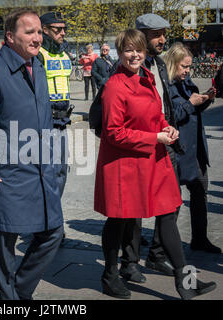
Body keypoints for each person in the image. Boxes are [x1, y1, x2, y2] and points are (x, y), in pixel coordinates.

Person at [94, 28, 216, 300]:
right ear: (119, 52)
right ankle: (110, 276)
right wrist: (155, 137)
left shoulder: (148, 77)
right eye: (128, 49)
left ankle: (185, 281)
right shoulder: (114, 86)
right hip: (124, 164)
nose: (134, 54)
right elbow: (113, 132)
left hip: (153, 158)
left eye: (138, 49)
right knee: (119, 221)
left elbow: (157, 113)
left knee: (168, 214)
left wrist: (167, 128)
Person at [0, 8, 64, 300]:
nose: (37, 38)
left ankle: (18, 290)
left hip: (41, 170)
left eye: (39, 31)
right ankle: (10, 300)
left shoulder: (37, 66)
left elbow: (44, 117)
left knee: (53, 233)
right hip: (7, 173)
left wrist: (54, 160)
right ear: (10, 36)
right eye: (29, 32)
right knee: (6, 241)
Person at [119, 13, 186, 279]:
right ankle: (129, 262)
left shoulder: (157, 64)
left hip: (163, 142)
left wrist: (168, 125)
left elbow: (161, 103)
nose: (162, 39)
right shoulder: (126, 66)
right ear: (142, 36)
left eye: (163, 34)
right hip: (139, 145)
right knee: (133, 209)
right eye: (157, 34)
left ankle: (158, 255)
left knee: (170, 202)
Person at [165, 42, 221, 254]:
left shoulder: (186, 82)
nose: (188, 71)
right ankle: (163, 248)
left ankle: (200, 239)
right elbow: (172, 117)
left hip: (197, 149)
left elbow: (193, 111)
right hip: (179, 150)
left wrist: (206, 99)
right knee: (174, 202)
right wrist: (191, 103)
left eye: (189, 67)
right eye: (184, 66)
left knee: (200, 192)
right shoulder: (167, 86)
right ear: (173, 64)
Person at [38, 11, 73, 197]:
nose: (63, 33)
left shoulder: (65, 54)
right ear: (44, 30)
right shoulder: (38, 55)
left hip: (62, 122)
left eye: (64, 29)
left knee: (61, 168)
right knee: (47, 170)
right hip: (44, 122)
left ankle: (54, 211)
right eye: (58, 29)